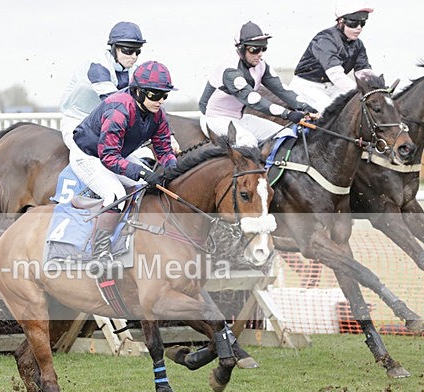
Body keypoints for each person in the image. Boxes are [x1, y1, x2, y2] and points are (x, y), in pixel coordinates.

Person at [70, 60, 177, 266]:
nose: (160, 101)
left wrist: (174, 171)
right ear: (137, 91)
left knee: (149, 187)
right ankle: (100, 252)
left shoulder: (158, 115)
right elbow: (108, 156)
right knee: (116, 194)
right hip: (88, 156)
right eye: (155, 95)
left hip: (116, 153)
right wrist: (141, 172)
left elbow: (164, 150)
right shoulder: (119, 109)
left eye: (164, 95)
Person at [199, 21, 318, 148]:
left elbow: (282, 90)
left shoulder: (261, 65)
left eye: (263, 48)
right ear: (241, 48)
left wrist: (305, 107)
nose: (260, 53)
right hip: (214, 120)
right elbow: (253, 100)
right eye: (254, 49)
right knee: (248, 141)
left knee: (287, 135)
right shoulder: (230, 70)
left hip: (239, 119)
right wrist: (287, 114)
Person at [59, 21, 145, 152]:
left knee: (144, 154)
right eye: (128, 51)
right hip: (78, 121)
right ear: (114, 48)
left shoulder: (135, 70)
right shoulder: (98, 66)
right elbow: (115, 103)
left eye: (137, 51)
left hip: (105, 123)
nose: (134, 57)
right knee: (89, 156)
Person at [290, 2, 375, 112]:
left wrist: (376, 89)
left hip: (334, 87)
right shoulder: (325, 39)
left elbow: (364, 73)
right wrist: (360, 91)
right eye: (354, 23)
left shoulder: (358, 44)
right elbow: (335, 74)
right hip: (307, 86)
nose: (359, 28)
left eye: (362, 23)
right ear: (341, 21)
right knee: (330, 110)